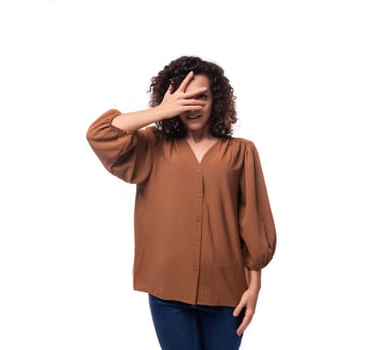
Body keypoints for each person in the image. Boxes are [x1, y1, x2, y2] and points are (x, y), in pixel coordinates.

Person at [86, 55, 276, 350]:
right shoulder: (151, 146)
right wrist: (162, 111)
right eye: (184, 97)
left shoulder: (242, 152)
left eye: (202, 96)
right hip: (167, 292)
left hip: (228, 292)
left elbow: (253, 221)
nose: (193, 106)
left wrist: (255, 286)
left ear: (217, 100)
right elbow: (100, 133)